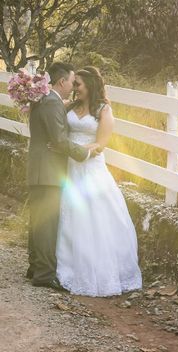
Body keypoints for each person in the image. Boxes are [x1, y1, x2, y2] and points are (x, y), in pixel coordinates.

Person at [55, 66, 142, 296]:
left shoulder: (104, 110)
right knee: (72, 216)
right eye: (74, 84)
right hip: (71, 168)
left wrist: (73, 149)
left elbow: (101, 144)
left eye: (78, 85)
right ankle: (70, 267)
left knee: (96, 216)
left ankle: (101, 273)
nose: (74, 88)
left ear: (90, 86)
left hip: (90, 167)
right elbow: (52, 107)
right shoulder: (71, 106)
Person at [26, 62, 97, 289]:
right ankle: (44, 274)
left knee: (38, 220)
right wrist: (84, 153)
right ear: (61, 81)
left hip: (41, 168)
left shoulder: (48, 100)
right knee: (46, 222)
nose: (73, 86)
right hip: (47, 170)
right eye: (72, 81)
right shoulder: (51, 102)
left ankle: (36, 267)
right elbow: (58, 139)